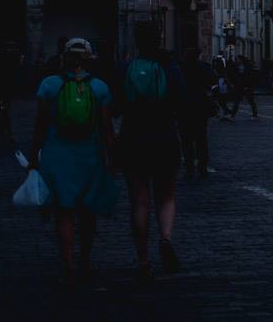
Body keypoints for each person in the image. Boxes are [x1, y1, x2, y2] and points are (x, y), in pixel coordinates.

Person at [29, 38, 117, 286]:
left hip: (57, 155)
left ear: (64, 58)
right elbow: (107, 129)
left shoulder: (49, 85)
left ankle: (68, 263)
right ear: (88, 60)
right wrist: (113, 159)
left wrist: (34, 155)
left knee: (64, 212)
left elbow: (40, 126)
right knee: (88, 213)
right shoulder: (99, 88)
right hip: (89, 155)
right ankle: (85, 258)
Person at [118, 24, 185, 276]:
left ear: (136, 41)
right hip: (165, 136)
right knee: (166, 195)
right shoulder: (170, 68)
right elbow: (181, 101)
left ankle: (143, 259)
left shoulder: (126, 68)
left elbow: (115, 105)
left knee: (139, 201)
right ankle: (166, 237)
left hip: (133, 137)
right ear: (160, 39)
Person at [179, 50, 217, 178]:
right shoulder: (204, 67)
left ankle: (189, 167)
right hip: (200, 105)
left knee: (186, 139)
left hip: (184, 106)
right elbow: (213, 81)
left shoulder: (180, 67)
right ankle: (203, 166)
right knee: (201, 138)